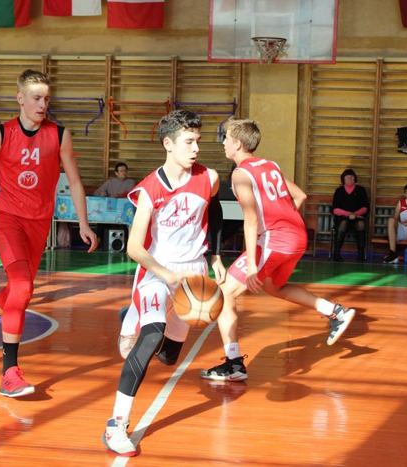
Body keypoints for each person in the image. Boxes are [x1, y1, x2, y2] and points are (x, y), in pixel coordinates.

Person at [0, 70, 97, 398]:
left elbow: (75, 181)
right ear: (20, 99)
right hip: (8, 219)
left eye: (47, 99)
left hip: (40, 222)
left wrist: (83, 223)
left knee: (16, 290)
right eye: (36, 98)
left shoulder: (60, 135)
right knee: (23, 288)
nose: (43, 104)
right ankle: (9, 372)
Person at [102, 110, 226, 457]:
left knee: (169, 357)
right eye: (189, 142)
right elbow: (134, 248)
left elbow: (216, 212)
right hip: (157, 271)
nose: (196, 148)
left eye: (198, 141)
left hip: (193, 273)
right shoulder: (149, 189)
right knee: (151, 336)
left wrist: (215, 256)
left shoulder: (210, 178)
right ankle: (116, 424)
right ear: (168, 144)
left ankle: (130, 314)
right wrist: (167, 275)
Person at [200, 118, 356, 383]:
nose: (223, 142)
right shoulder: (270, 165)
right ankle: (335, 311)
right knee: (274, 287)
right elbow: (300, 196)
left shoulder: (240, 174)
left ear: (237, 144)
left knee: (225, 293)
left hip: (276, 240)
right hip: (297, 236)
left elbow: (251, 220)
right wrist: (283, 221)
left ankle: (234, 364)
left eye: (226, 138)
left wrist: (253, 265)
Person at [331, 168, 369, 262]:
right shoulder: (339, 191)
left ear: (355, 178)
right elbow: (335, 209)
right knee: (343, 223)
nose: (349, 179)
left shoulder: (361, 190)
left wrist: (355, 214)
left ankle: (361, 255)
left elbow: (365, 207)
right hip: (342, 218)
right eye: (347, 177)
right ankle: (336, 254)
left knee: (361, 224)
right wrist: (349, 214)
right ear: (343, 179)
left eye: (351, 177)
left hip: (357, 217)